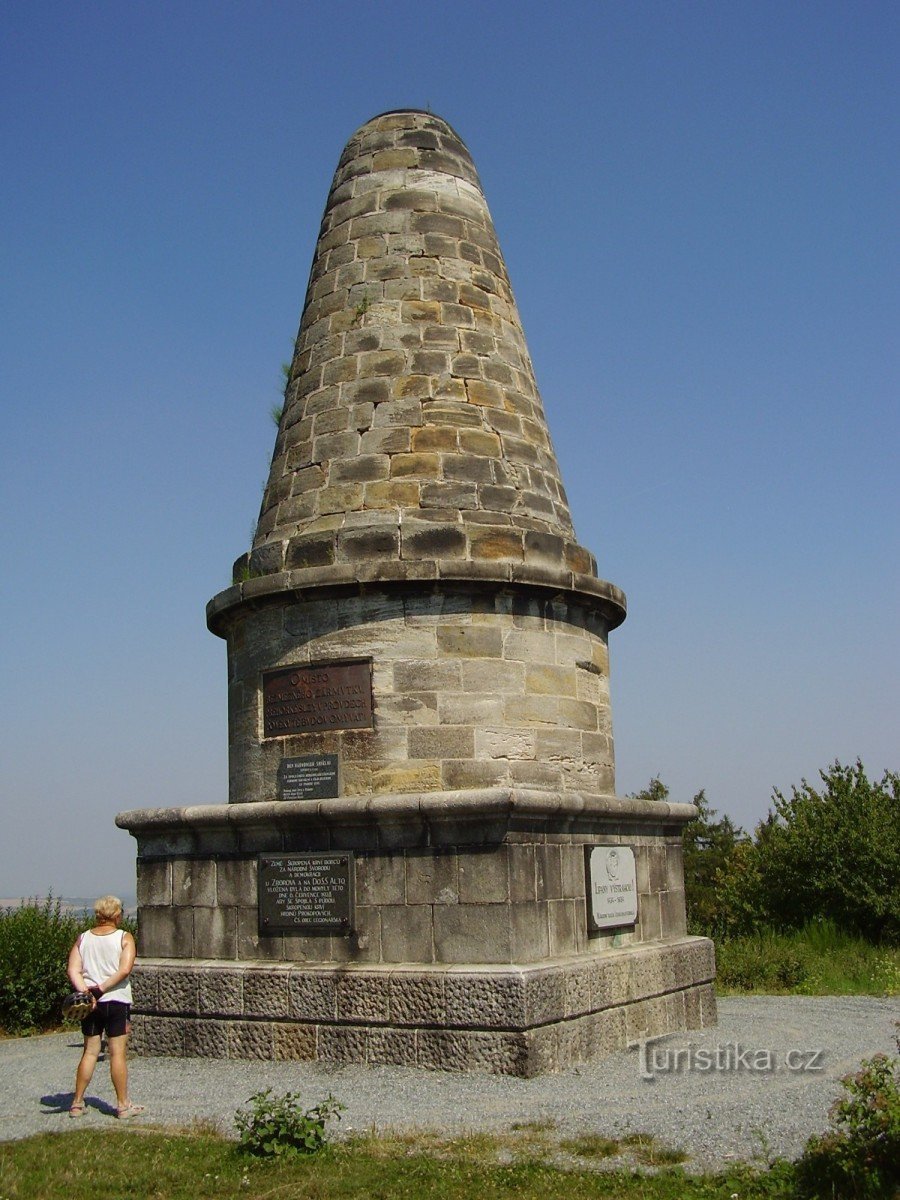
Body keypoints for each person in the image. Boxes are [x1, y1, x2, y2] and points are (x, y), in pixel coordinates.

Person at [67, 895, 144, 1119]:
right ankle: (122, 1105)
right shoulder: (124, 937)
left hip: (90, 1004)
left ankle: (77, 1103)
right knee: (117, 1053)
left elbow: (73, 969)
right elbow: (124, 969)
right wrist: (101, 989)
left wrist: (87, 992)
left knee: (90, 1052)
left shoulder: (83, 938)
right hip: (116, 999)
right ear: (117, 915)